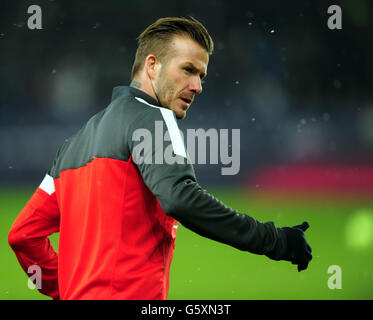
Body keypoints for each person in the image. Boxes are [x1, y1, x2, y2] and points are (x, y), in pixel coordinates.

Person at [8, 17, 312, 300]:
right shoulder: (151, 118)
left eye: (201, 75)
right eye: (188, 70)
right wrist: (276, 241)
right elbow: (180, 198)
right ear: (152, 65)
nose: (198, 86)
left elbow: (22, 235)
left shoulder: (73, 145)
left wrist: (69, 289)